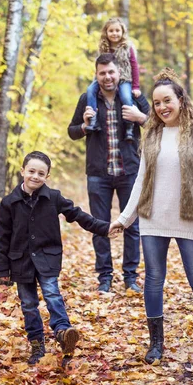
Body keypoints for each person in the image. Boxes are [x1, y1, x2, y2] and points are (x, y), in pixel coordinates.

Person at [109, 68, 193, 364]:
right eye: (157, 102)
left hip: (189, 217)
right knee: (153, 280)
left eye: (167, 101)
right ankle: (156, 344)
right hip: (153, 218)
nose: (162, 107)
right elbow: (140, 180)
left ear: (180, 99)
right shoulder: (152, 134)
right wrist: (125, 218)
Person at [0, 151, 119, 365]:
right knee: (28, 304)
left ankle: (63, 332)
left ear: (47, 176)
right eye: (31, 171)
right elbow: (3, 238)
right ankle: (37, 345)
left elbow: (79, 215)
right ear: (22, 171)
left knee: (52, 294)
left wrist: (104, 228)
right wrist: (3, 270)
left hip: (47, 258)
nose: (35, 176)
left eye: (41, 173)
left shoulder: (53, 198)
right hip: (20, 261)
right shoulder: (9, 203)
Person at [68, 53, 150, 294]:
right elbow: (72, 131)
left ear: (118, 73)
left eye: (111, 72)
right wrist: (84, 125)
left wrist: (140, 117)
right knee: (100, 226)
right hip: (98, 174)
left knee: (133, 226)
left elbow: (158, 124)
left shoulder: (133, 98)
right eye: (102, 73)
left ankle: (130, 278)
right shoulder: (88, 99)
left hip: (130, 172)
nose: (107, 77)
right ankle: (104, 278)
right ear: (97, 75)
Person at [85, 17, 141, 142]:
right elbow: (99, 66)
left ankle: (129, 126)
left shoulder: (128, 47)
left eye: (117, 30)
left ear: (122, 32)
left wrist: (136, 86)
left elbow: (134, 66)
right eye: (111, 31)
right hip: (105, 78)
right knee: (90, 90)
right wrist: (97, 80)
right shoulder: (103, 47)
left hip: (124, 78)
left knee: (126, 97)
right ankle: (93, 120)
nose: (114, 33)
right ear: (106, 32)